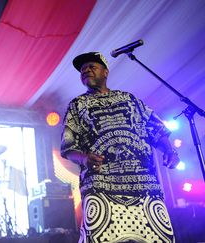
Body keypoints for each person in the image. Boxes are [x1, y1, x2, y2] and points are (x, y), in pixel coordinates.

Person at [60, 52, 179, 242]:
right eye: (82, 70)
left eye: (92, 66)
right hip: (101, 187)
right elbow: (68, 147)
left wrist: (169, 150)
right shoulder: (77, 105)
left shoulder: (129, 99)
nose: (86, 71)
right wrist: (84, 158)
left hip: (144, 186)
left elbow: (156, 128)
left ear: (105, 72)